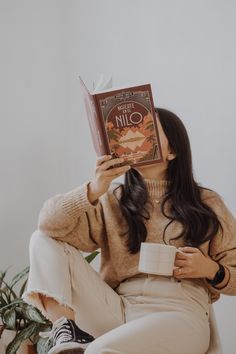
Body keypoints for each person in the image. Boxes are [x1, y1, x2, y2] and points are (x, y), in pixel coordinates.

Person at [23, 108, 236, 354]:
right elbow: (48, 225)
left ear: (172, 151)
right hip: (118, 307)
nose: (136, 136)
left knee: (96, 351)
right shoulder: (112, 198)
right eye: (129, 133)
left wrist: (210, 269)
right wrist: (94, 188)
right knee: (41, 239)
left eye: (149, 131)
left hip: (180, 312)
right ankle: (65, 329)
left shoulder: (207, 202)